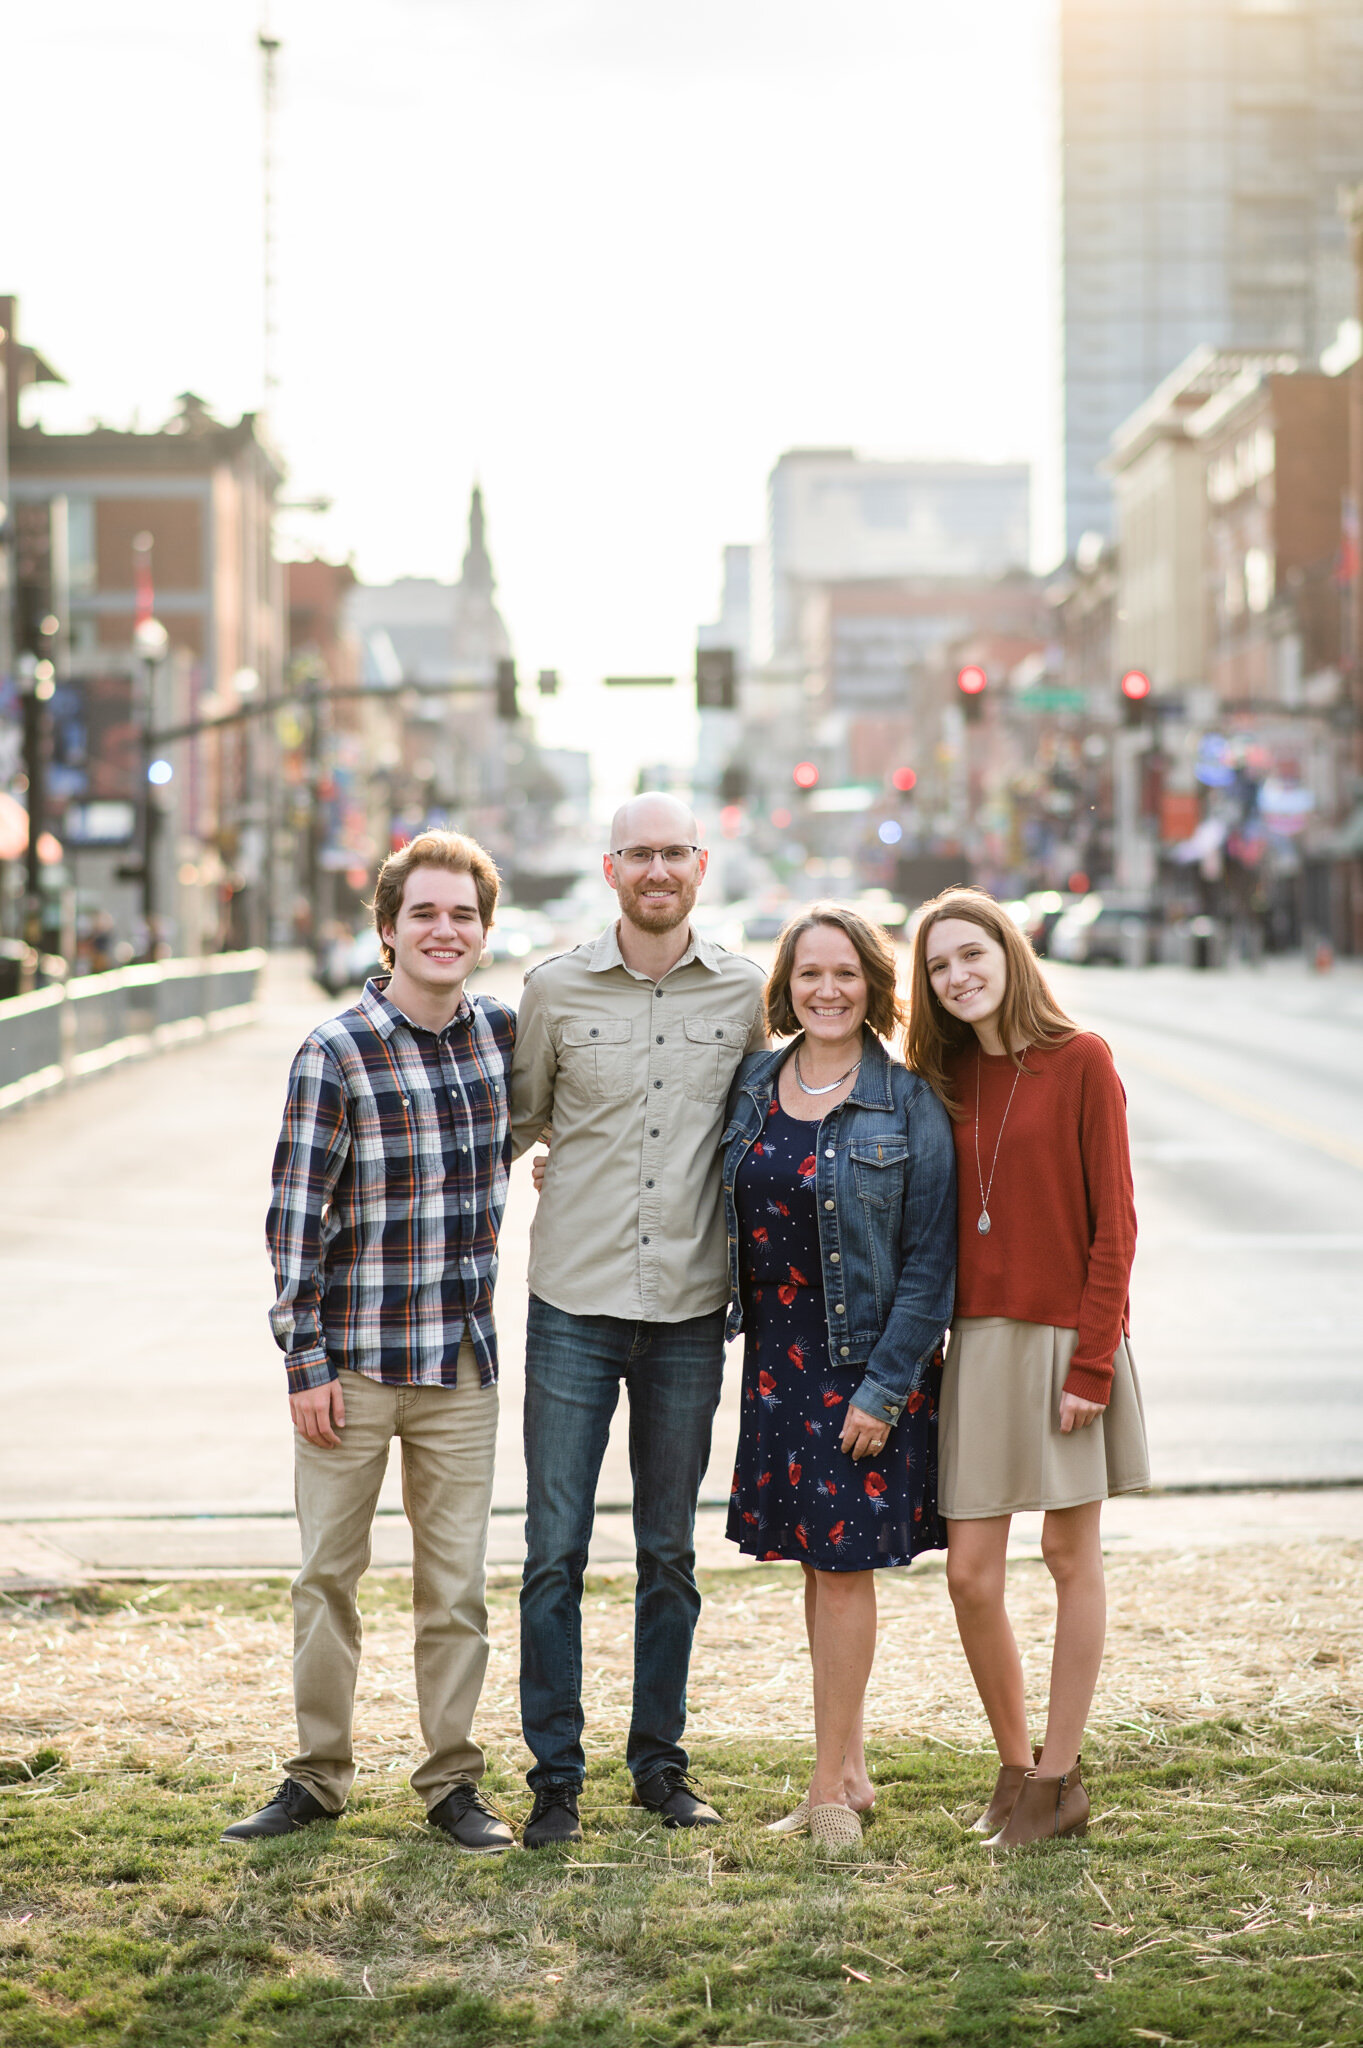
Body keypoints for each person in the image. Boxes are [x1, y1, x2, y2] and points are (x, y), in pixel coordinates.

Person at [225, 830, 516, 1854]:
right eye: (425, 913)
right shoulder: (334, 1051)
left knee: (458, 1588)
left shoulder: (501, 1039)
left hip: (460, 1369)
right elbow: (293, 1220)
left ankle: (451, 1784)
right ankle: (316, 1775)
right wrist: (302, 1362)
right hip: (347, 1369)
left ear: (483, 931)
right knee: (326, 1580)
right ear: (387, 928)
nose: (445, 930)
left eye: (464, 915)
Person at [509, 794, 767, 1847]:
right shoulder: (552, 988)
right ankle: (553, 1781)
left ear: (699, 865)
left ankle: (659, 1765)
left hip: (690, 1312)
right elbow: (519, 1116)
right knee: (553, 1550)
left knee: (669, 1549)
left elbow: (767, 1122)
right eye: (639, 853)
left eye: (674, 852)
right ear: (609, 866)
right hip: (573, 1299)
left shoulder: (746, 989)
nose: (657, 868)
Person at [906, 887, 1149, 1848]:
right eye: (937, 966)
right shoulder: (943, 1076)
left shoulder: (1081, 1060)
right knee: (970, 1574)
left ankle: (1058, 1779)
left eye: (973, 955)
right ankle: (1018, 1767)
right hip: (976, 1344)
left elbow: (1115, 1228)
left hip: (1065, 1341)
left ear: (1009, 954)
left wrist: (1092, 1364)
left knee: (1063, 1555)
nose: (958, 976)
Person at [720, 904, 956, 1852]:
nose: (827, 990)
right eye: (810, 973)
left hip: (861, 1363)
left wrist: (886, 1387)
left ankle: (825, 1794)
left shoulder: (907, 1103)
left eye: (846, 974)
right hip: (775, 1354)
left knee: (844, 1568)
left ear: (873, 986)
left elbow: (931, 1262)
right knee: (818, 1574)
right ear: (787, 984)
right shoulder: (753, 1083)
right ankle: (848, 1772)